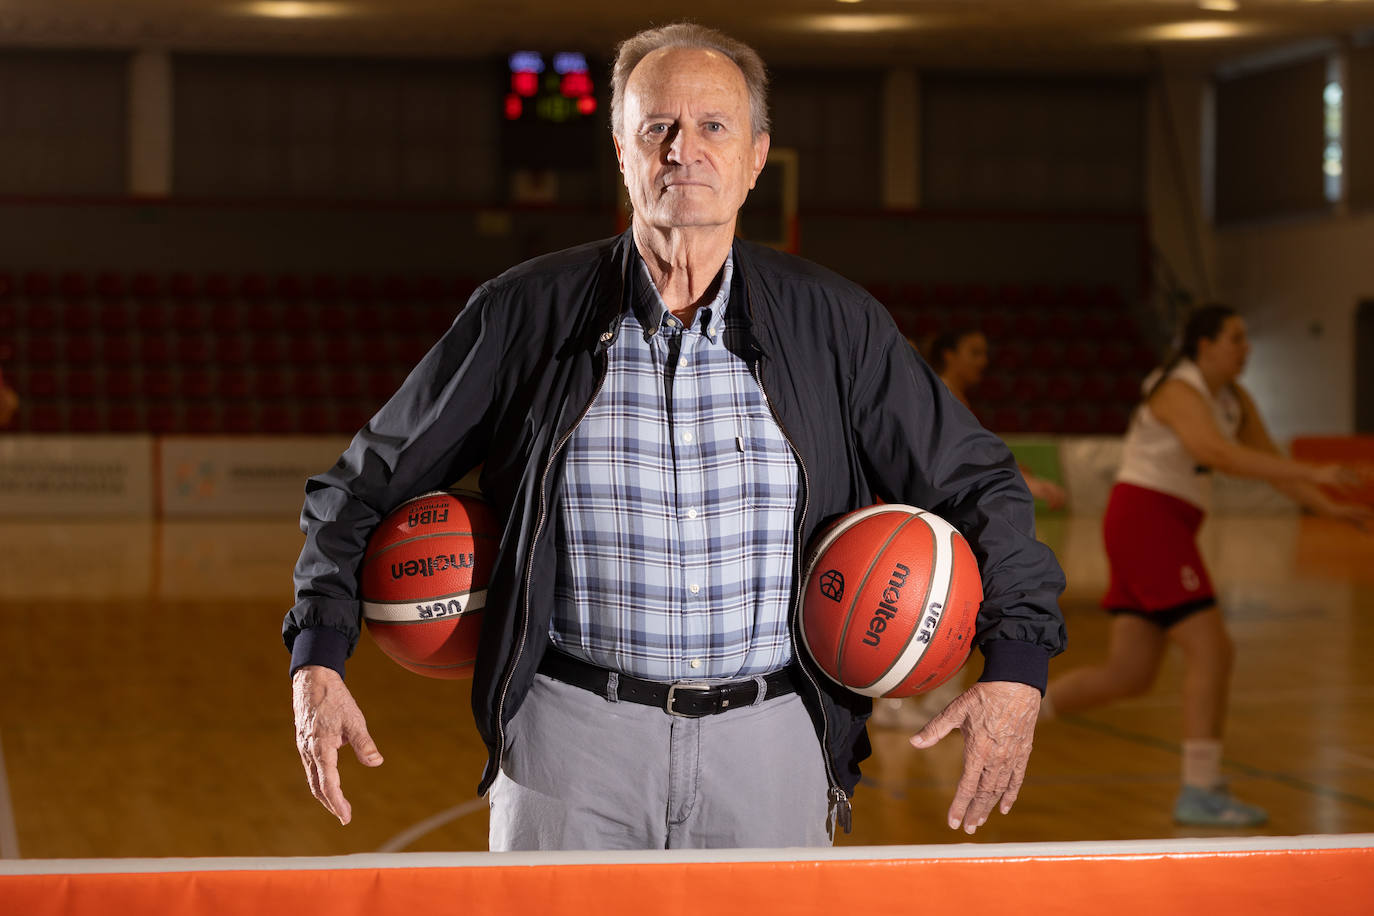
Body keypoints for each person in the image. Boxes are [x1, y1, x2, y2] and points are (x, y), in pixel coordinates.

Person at [285, 23, 1066, 850]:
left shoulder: (832, 322)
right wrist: (318, 656)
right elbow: (361, 484)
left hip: (772, 737)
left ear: (757, 157)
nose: (681, 150)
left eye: (713, 126)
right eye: (656, 127)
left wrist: (1017, 669)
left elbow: (979, 482)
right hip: (570, 742)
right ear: (621, 151)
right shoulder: (525, 312)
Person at [1041, 304, 1370, 827]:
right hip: (1148, 520)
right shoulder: (1174, 388)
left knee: (1129, 675)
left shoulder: (1234, 398)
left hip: (1158, 524)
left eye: (1246, 338)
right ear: (1204, 344)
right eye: (1236, 338)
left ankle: (1009, 717)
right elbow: (1214, 452)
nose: (1246, 348)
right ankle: (1200, 789)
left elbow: (1266, 463)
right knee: (1213, 647)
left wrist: (1328, 504)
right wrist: (1317, 467)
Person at [872, 328, 1067, 731]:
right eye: (974, 352)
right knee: (924, 610)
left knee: (960, 609)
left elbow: (982, 456)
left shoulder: (948, 397)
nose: (983, 360)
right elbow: (960, 467)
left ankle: (934, 697)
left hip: (937, 523)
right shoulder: (925, 394)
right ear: (949, 354)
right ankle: (894, 699)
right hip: (917, 523)